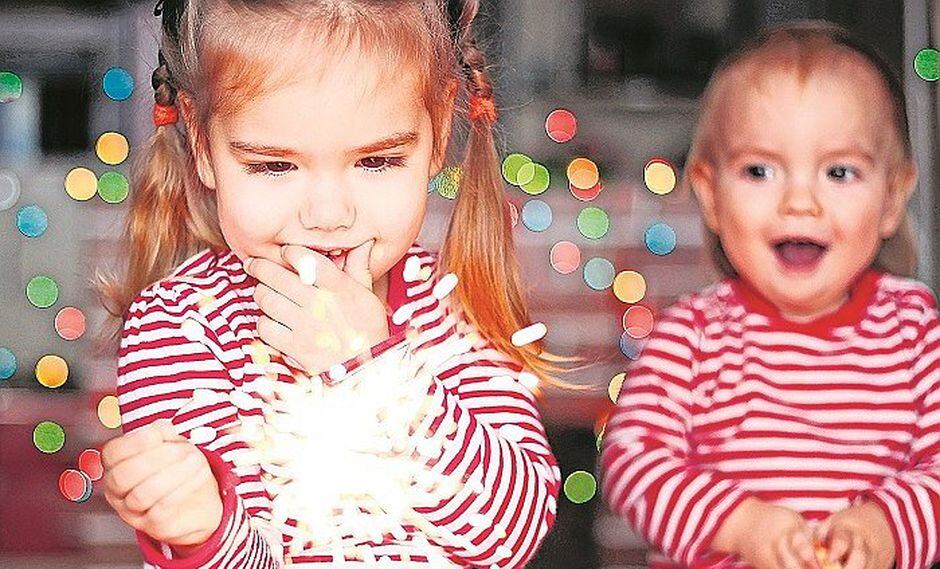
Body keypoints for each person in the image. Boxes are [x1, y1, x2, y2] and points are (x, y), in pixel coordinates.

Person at [93, 0, 561, 566]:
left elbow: (511, 536)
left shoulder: (456, 305)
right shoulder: (180, 326)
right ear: (201, 142)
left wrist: (376, 370)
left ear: (438, 130)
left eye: (377, 161)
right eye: (273, 166)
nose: (329, 214)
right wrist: (203, 530)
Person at [601, 21, 939, 569]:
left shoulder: (915, 331)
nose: (799, 202)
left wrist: (885, 526)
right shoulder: (693, 336)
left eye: (839, 172)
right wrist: (739, 524)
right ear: (711, 195)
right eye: (759, 171)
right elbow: (631, 463)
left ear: (892, 199)